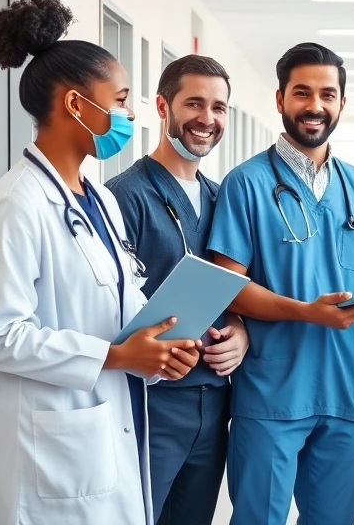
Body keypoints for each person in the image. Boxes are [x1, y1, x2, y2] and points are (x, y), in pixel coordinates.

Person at [0, 0, 200, 525]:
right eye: (119, 100)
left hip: (99, 431)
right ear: (74, 105)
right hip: (46, 456)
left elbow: (118, 295)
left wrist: (159, 344)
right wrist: (115, 358)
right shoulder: (14, 207)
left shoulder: (99, 197)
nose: (130, 115)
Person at [207, 42, 354, 524]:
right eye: (302, 92)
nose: (315, 105)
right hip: (273, 391)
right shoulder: (246, 183)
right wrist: (307, 311)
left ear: (341, 103)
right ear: (280, 100)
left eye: (327, 94)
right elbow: (227, 285)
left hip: (343, 389)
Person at [106, 55, 249, 525]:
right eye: (195, 103)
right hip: (151, 401)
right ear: (163, 107)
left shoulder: (221, 198)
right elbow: (102, 303)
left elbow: (233, 286)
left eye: (219, 107)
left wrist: (241, 330)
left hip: (215, 399)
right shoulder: (123, 197)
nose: (207, 119)